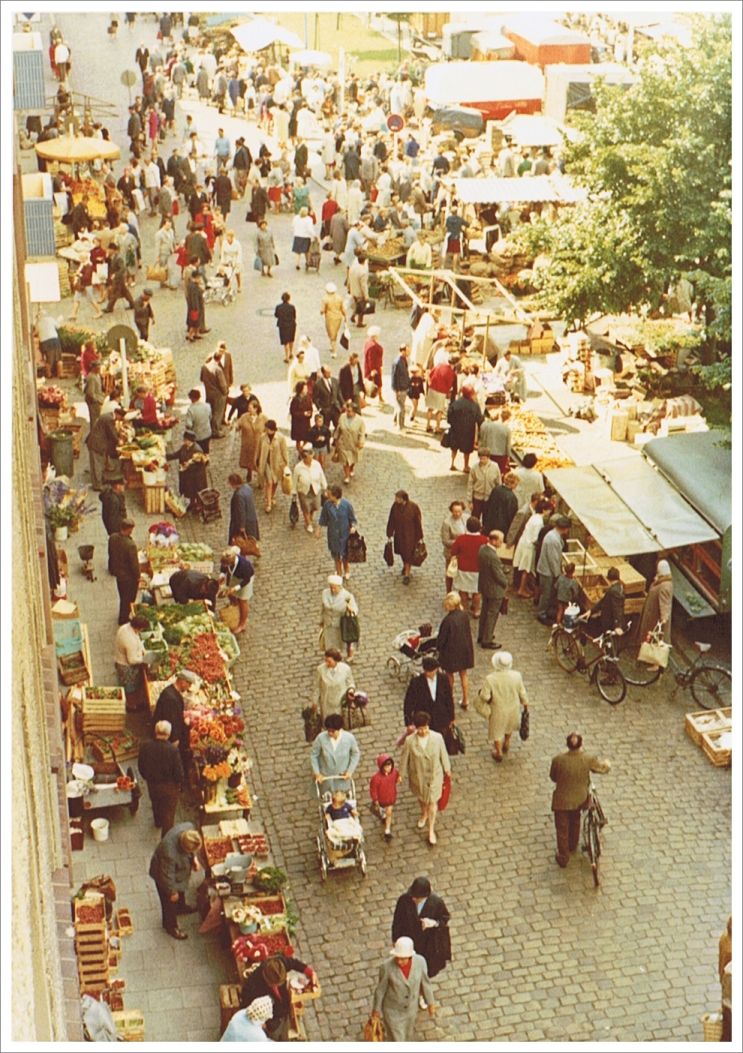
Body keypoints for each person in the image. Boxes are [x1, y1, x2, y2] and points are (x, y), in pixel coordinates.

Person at [550, 733, 610, 867]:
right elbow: (602, 768)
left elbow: (553, 777)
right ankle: (572, 845)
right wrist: (607, 764)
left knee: (562, 828)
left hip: (562, 800)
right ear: (581, 744)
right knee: (575, 820)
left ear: (567, 744)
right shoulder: (588, 758)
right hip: (580, 799)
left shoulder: (558, 760)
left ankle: (563, 856)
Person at [399, 711, 451, 846]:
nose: (423, 731)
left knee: (433, 801)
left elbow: (443, 754)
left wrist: (447, 769)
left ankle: (431, 829)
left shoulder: (437, 738)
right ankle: (424, 814)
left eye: (425, 728)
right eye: (420, 728)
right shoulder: (410, 741)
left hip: (434, 776)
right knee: (422, 798)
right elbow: (404, 758)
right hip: (418, 775)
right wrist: (401, 774)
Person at [371, 936, 435, 1041]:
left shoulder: (420, 962)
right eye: (397, 958)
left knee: (407, 1036)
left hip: (410, 1010)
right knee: (397, 1038)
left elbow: (425, 983)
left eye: (403, 959)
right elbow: (380, 990)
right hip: (392, 1012)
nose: (399, 961)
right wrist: (376, 1010)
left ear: (410, 956)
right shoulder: (386, 967)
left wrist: (430, 1003)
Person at [391, 877, 452, 985]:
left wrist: (433, 923)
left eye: (417, 897)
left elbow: (444, 919)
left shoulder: (436, 903)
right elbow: (397, 921)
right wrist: (395, 939)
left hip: (427, 945)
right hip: (409, 941)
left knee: (424, 971)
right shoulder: (404, 900)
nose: (413, 899)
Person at [241, 956, 316, 1042]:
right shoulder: (254, 983)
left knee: (284, 1035)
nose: (278, 986)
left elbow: (293, 963)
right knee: (274, 1038)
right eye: (275, 985)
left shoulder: (279, 964)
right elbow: (245, 1003)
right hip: (271, 1019)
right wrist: (259, 1022)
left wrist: (310, 972)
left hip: (284, 1010)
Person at [148, 824, 202, 939]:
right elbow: (167, 876)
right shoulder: (169, 853)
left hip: (178, 874)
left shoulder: (189, 828)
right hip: (164, 877)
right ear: (184, 848)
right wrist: (172, 892)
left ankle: (181, 907)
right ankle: (170, 926)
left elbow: (192, 850)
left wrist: (194, 858)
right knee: (169, 904)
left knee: (180, 892)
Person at [477, 651, 529, 763]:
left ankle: (498, 751)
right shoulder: (517, 676)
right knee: (509, 725)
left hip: (497, 709)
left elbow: (485, 696)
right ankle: (507, 742)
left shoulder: (490, 679)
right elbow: (522, 692)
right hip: (513, 707)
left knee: (497, 730)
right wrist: (525, 705)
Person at [137, 720, 184, 836]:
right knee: (168, 814)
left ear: (155, 731)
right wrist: (178, 784)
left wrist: (147, 777)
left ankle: (158, 822)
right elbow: (178, 772)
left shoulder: (145, 746)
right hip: (169, 787)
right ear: (168, 734)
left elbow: (141, 766)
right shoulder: (173, 750)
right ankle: (166, 839)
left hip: (152, 783)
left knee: (156, 803)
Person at [403, 656, 455, 743]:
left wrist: (452, 717)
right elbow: (408, 703)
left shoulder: (443, 679)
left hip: (441, 718)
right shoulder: (416, 682)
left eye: (432, 671)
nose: (430, 674)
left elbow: (449, 698)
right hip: (423, 721)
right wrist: (408, 722)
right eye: (427, 671)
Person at [437, 591, 475, 711]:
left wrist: (438, 649)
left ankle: (449, 699)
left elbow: (441, 640)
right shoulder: (464, 616)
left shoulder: (447, 621)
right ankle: (465, 699)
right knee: (464, 674)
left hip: (451, 652)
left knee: (449, 676)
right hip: (464, 649)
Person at [310, 713, 361, 793]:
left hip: (342, 778)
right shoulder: (321, 738)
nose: (330, 733)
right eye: (328, 731)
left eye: (333, 731)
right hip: (326, 778)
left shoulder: (349, 738)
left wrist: (349, 771)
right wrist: (317, 773)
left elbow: (355, 754)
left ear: (339, 729)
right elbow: (314, 755)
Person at [513, 497, 552, 599]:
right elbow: (535, 538)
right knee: (526, 569)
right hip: (528, 547)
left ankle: (524, 587)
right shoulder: (539, 522)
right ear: (544, 510)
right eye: (549, 510)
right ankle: (521, 589)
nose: (549, 512)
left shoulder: (534, 516)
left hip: (523, 542)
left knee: (524, 568)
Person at [450, 516, 488, 617]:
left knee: (463, 590)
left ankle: (464, 609)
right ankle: (476, 610)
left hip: (463, 569)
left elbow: (453, 551)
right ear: (479, 527)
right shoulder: (484, 540)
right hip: (478, 569)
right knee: (477, 591)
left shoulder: (461, 539)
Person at [477, 529, 508, 649]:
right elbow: (498, 575)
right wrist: (505, 582)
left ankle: (482, 634)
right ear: (494, 541)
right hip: (495, 589)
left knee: (485, 611)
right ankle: (487, 639)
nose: (502, 543)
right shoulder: (493, 556)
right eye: (500, 541)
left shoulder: (482, 549)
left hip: (485, 586)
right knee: (492, 614)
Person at [536, 517, 571, 625]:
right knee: (546, 594)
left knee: (548, 593)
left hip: (546, 569)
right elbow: (553, 560)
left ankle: (546, 611)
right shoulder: (553, 540)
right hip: (547, 571)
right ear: (564, 529)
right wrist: (558, 574)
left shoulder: (553, 535)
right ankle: (541, 614)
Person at [319, 484, 357, 580]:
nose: (327, 495)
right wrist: (318, 529)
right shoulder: (327, 505)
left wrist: (352, 527)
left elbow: (352, 518)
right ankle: (339, 573)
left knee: (345, 555)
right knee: (336, 555)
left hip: (345, 535)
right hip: (333, 535)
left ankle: (347, 570)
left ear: (335, 495)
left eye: (330, 494)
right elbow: (323, 518)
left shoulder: (346, 505)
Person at [386, 490, 423, 586]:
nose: (396, 499)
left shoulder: (413, 507)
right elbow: (391, 520)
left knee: (408, 554)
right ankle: (405, 566)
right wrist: (389, 534)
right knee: (403, 553)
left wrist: (420, 536)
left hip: (411, 535)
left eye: (398, 498)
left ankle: (407, 574)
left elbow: (418, 522)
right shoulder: (395, 507)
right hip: (399, 535)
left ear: (403, 499)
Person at [113, 613, 149, 711]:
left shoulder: (125, 627)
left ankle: (131, 702)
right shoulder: (129, 640)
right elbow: (132, 660)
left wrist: (142, 649)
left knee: (128, 685)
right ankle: (131, 706)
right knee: (130, 687)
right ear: (138, 627)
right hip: (126, 666)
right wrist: (145, 659)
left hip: (119, 659)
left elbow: (137, 638)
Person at [109, 519, 140, 625]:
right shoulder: (130, 545)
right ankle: (124, 619)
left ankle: (123, 616)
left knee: (123, 597)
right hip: (129, 578)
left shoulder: (112, 538)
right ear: (129, 529)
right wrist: (138, 577)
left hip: (119, 575)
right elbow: (134, 565)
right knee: (128, 599)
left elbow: (111, 554)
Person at [637, 558, 674, 647]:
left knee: (653, 641)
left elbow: (665, 604)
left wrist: (663, 618)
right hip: (652, 615)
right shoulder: (662, 581)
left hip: (654, 618)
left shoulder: (665, 586)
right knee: (650, 640)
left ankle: (650, 656)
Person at [320, 573, 358, 660]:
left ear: (340, 587)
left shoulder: (347, 596)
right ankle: (332, 658)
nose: (332, 590)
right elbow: (322, 608)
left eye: (334, 587)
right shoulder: (325, 593)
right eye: (331, 587)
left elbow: (355, 610)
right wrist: (321, 620)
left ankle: (347, 655)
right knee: (329, 643)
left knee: (340, 643)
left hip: (340, 624)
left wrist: (350, 609)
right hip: (328, 623)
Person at [87, 405, 125, 490]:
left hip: (97, 442)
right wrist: (119, 440)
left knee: (98, 463)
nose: (118, 420)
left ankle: (98, 481)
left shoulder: (108, 416)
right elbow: (112, 432)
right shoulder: (109, 419)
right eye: (120, 418)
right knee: (97, 464)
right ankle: (97, 485)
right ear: (118, 414)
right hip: (97, 443)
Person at [447, 384, 483, 473]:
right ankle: (466, 466)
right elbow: (479, 419)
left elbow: (449, 417)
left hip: (455, 429)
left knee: (454, 447)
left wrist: (452, 423)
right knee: (467, 450)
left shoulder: (456, 403)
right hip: (468, 430)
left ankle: (452, 463)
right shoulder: (474, 405)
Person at [166, 431, 207, 508]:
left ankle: (195, 505)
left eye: (185, 439)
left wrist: (187, 466)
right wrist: (165, 456)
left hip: (194, 477)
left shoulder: (197, 450)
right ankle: (190, 503)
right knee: (187, 490)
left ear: (189, 440)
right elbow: (176, 454)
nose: (184, 441)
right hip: (186, 475)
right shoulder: (184, 447)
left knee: (193, 491)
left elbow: (200, 465)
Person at [292, 444, 327, 534]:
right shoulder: (298, 467)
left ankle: (310, 518)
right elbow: (294, 481)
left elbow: (321, 475)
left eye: (311, 456)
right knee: (306, 508)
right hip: (303, 491)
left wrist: (325, 487)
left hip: (316, 489)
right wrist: (294, 493)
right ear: (304, 458)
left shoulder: (316, 464)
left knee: (315, 506)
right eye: (308, 457)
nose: (310, 459)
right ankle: (308, 523)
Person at [256, 420, 289, 514]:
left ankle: (271, 496)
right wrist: (257, 460)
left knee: (275, 482)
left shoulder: (280, 438)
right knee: (269, 482)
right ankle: (268, 503)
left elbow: (284, 451)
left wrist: (286, 463)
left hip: (277, 463)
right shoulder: (263, 437)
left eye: (268, 429)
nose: (266, 430)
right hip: (266, 463)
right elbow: (259, 449)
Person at [220, 548, 254, 635]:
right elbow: (223, 568)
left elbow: (246, 580)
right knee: (230, 594)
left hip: (245, 580)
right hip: (235, 577)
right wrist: (222, 575)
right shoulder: (226, 559)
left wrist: (235, 588)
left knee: (243, 600)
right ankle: (235, 607)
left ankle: (242, 624)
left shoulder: (244, 565)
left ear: (231, 562)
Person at [314, 648, 355, 720]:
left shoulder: (345, 669)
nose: (326, 663)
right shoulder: (320, 669)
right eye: (325, 660)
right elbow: (317, 688)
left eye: (329, 661)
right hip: (327, 704)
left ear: (336, 660)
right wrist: (314, 702)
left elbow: (351, 683)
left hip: (340, 703)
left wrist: (350, 691)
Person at [334, 400, 366, 485]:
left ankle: (351, 469)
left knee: (353, 460)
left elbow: (362, 432)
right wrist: (335, 438)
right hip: (343, 443)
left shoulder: (360, 420)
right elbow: (338, 428)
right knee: (345, 461)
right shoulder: (342, 417)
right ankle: (347, 476)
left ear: (354, 412)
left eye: (349, 411)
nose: (347, 413)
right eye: (346, 410)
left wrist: (361, 442)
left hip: (354, 443)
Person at [236, 397, 267, 484]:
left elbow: (268, 428)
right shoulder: (244, 417)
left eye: (250, 408)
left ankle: (260, 479)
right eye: (248, 408)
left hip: (259, 444)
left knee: (259, 461)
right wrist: (235, 427)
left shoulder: (263, 418)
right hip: (248, 443)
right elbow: (238, 424)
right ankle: (249, 472)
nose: (248, 409)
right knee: (249, 460)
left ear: (256, 409)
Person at [370, 753, 399, 841]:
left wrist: (399, 779)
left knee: (389, 812)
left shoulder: (394, 772)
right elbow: (373, 790)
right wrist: (375, 800)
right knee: (382, 812)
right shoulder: (376, 778)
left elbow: (397, 776)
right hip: (381, 800)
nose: (388, 768)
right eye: (386, 766)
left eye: (390, 766)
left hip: (390, 798)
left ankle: (387, 830)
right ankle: (383, 816)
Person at [482, 471, 519, 539]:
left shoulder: (496, 489)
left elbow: (488, 505)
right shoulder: (512, 497)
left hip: (490, 522)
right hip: (503, 527)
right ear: (512, 484)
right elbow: (512, 515)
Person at [589, 566, 626, 633]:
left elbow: (617, 608)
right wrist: (591, 611)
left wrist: (618, 625)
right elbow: (603, 601)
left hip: (609, 621)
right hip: (609, 619)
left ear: (609, 578)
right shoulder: (619, 587)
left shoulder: (614, 591)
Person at [200, 353, 229, 438]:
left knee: (210, 412)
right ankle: (215, 432)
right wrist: (225, 392)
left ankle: (209, 429)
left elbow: (201, 379)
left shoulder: (204, 367)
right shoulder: (218, 369)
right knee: (217, 413)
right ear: (219, 359)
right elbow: (222, 384)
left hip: (208, 393)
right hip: (218, 395)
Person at [466, 450, 501, 519]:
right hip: (477, 497)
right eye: (480, 458)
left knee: (488, 518)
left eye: (484, 459)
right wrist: (469, 500)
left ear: (488, 458)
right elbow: (470, 484)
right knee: (475, 517)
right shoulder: (474, 468)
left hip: (489, 498)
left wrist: (498, 499)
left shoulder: (495, 467)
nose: (482, 460)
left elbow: (498, 483)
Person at [440, 500, 467, 591]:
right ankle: (448, 590)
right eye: (455, 511)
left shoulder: (466, 518)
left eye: (459, 511)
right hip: (452, 553)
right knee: (450, 572)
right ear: (451, 511)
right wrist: (460, 541)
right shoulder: (447, 522)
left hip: (464, 552)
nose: (457, 514)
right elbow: (445, 540)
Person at [480, 408, 512, 476]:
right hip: (501, 455)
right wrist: (508, 457)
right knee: (499, 474)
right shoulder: (507, 429)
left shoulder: (488, 426)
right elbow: (508, 445)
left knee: (488, 473)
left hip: (489, 453)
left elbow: (483, 439)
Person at [320, 282, 346, 357]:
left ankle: (334, 350)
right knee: (334, 333)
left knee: (331, 333)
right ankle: (332, 346)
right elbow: (342, 309)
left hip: (330, 317)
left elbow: (322, 310)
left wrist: (322, 311)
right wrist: (345, 317)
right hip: (338, 317)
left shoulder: (325, 299)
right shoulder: (339, 298)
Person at [36, 310, 63, 377]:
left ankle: (48, 374)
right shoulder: (50, 319)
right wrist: (58, 320)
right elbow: (58, 326)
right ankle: (60, 374)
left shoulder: (38, 323)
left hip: (45, 342)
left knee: (48, 359)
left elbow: (36, 332)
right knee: (59, 358)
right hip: (54, 340)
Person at [184, 389, 212, 453]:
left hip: (197, 436)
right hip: (207, 433)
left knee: (197, 452)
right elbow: (210, 417)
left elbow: (189, 425)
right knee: (206, 450)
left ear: (191, 398)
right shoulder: (207, 406)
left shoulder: (191, 410)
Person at [363, 325, 385, 405]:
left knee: (367, 382)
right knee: (378, 383)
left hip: (368, 367)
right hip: (374, 368)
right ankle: (380, 397)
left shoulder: (367, 343)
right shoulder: (374, 346)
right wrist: (373, 369)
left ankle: (365, 398)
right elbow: (371, 359)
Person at [391, 343, 411, 431]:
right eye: (407, 351)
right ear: (403, 351)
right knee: (401, 408)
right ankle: (401, 426)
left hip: (404, 386)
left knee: (398, 405)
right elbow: (394, 377)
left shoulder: (403, 359)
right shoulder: (398, 362)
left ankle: (395, 421)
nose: (409, 353)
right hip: (400, 388)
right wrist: (396, 390)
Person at [289, 382, 314, 452]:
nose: (306, 390)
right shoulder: (295, 400)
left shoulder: (308, 398)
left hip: (305, 422)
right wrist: (303, 414)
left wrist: (309, 413)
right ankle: (300, 451)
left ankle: (301, 448)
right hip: (298, 423)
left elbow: (310, 408)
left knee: (307, 437)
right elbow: (293, 412)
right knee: (298, 439)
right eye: (305, 388)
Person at [274, 291, 296, 362]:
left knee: (285, 341)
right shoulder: (292, 307)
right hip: (291, 324)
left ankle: (286, 356)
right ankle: (291, 352)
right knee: (291, 339)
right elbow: (294, 316)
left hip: (283, 325)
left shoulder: (278, 307)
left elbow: (276, 315)